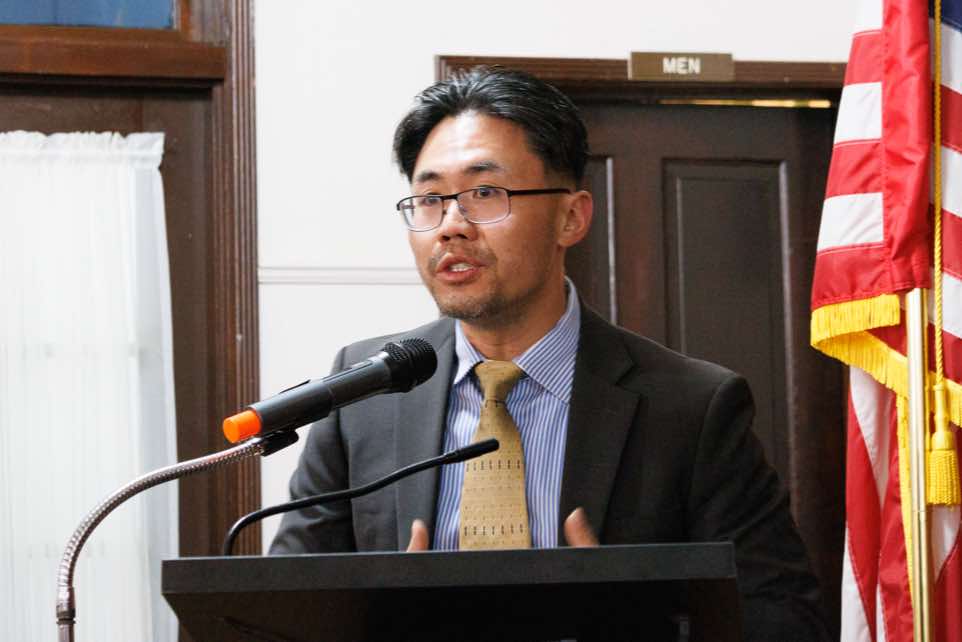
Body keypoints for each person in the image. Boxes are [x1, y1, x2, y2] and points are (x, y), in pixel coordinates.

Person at [270, 67, 829, 640]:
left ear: (571, 217)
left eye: (484, 193)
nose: (451, 226)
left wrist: (628, 622)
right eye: (430, 199)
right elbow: (280, 615)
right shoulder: (364, 394)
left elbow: (785, 623)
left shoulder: (692, 407)